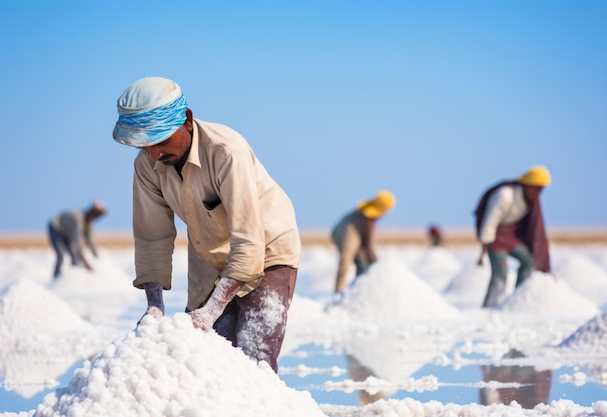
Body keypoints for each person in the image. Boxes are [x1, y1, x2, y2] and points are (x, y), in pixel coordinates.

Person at [112, 76, 300, 373]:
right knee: (204, 357)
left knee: (254, 360)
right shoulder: (148, 165)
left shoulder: (226, 151)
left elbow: (249, 238)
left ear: (187, 120)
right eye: (145, 146)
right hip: (209, 253)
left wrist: (212, 309)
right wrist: (155, 305)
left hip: (266, 249)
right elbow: (152, 237)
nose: (155, 154)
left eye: (161, 141)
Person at [474, 166, 552, 307]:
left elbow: (535, 228)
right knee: (501, 273)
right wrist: (483, 250)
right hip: (495, 240)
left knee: (530, 262)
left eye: (541, 189)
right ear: (527, 185)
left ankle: (517, 300)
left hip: (512, 238)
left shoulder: (531, 202)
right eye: (536, 188)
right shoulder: (505, 195)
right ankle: (489, 307)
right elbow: (490, 221)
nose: (538, 193)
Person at [331, 190, 395, 293]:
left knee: (362, 260)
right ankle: (338, 292)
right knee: (345, 262)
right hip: (346, 231)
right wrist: (377, 264)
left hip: (351, 232)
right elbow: (368, 244)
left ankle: (360, 290)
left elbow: (367, 244)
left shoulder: (369, 215)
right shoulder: (368, 216)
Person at [48, 201, 107, 279]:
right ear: (93, 211)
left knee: (74, 256)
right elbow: (77, 242)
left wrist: (97, 257)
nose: (98, 218)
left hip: (67, 233)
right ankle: (56, 278)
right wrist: (86, 263)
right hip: (56, 229)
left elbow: (90, 239)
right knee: (61, 255)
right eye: (98, 214)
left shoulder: (88, 222)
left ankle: (74, 277)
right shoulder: (78, 218)